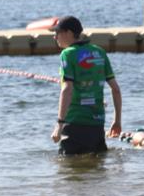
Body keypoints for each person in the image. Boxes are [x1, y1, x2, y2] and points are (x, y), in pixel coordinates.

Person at [50, 16, 122, 155]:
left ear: (69, 33)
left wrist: (59, 125)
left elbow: (67, 89)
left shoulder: (68, 54)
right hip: (97, 124)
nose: (55, 37)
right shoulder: (99, 52)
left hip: (75, 123)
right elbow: (116, 89)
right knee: (96, 170)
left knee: (68, 171)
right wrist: (117, 121)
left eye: (57, 33)